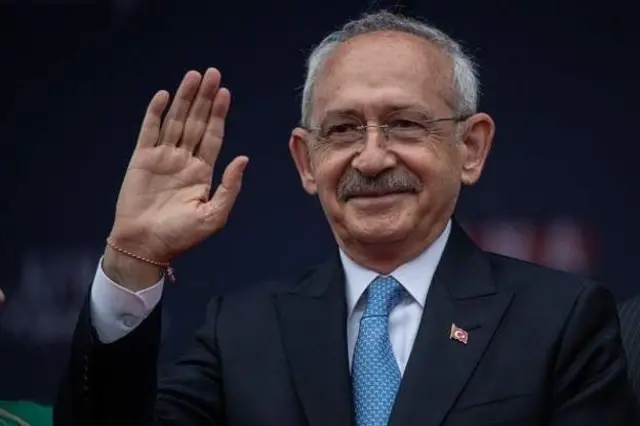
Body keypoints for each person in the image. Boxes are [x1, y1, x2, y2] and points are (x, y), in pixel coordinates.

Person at [54, 10, 635, 426]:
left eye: (405, 124)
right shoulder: (243, 332)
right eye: (344, 129)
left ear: (472, 148)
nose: (373, 157)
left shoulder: (561, 321)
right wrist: (132, 259)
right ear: (307, 162)